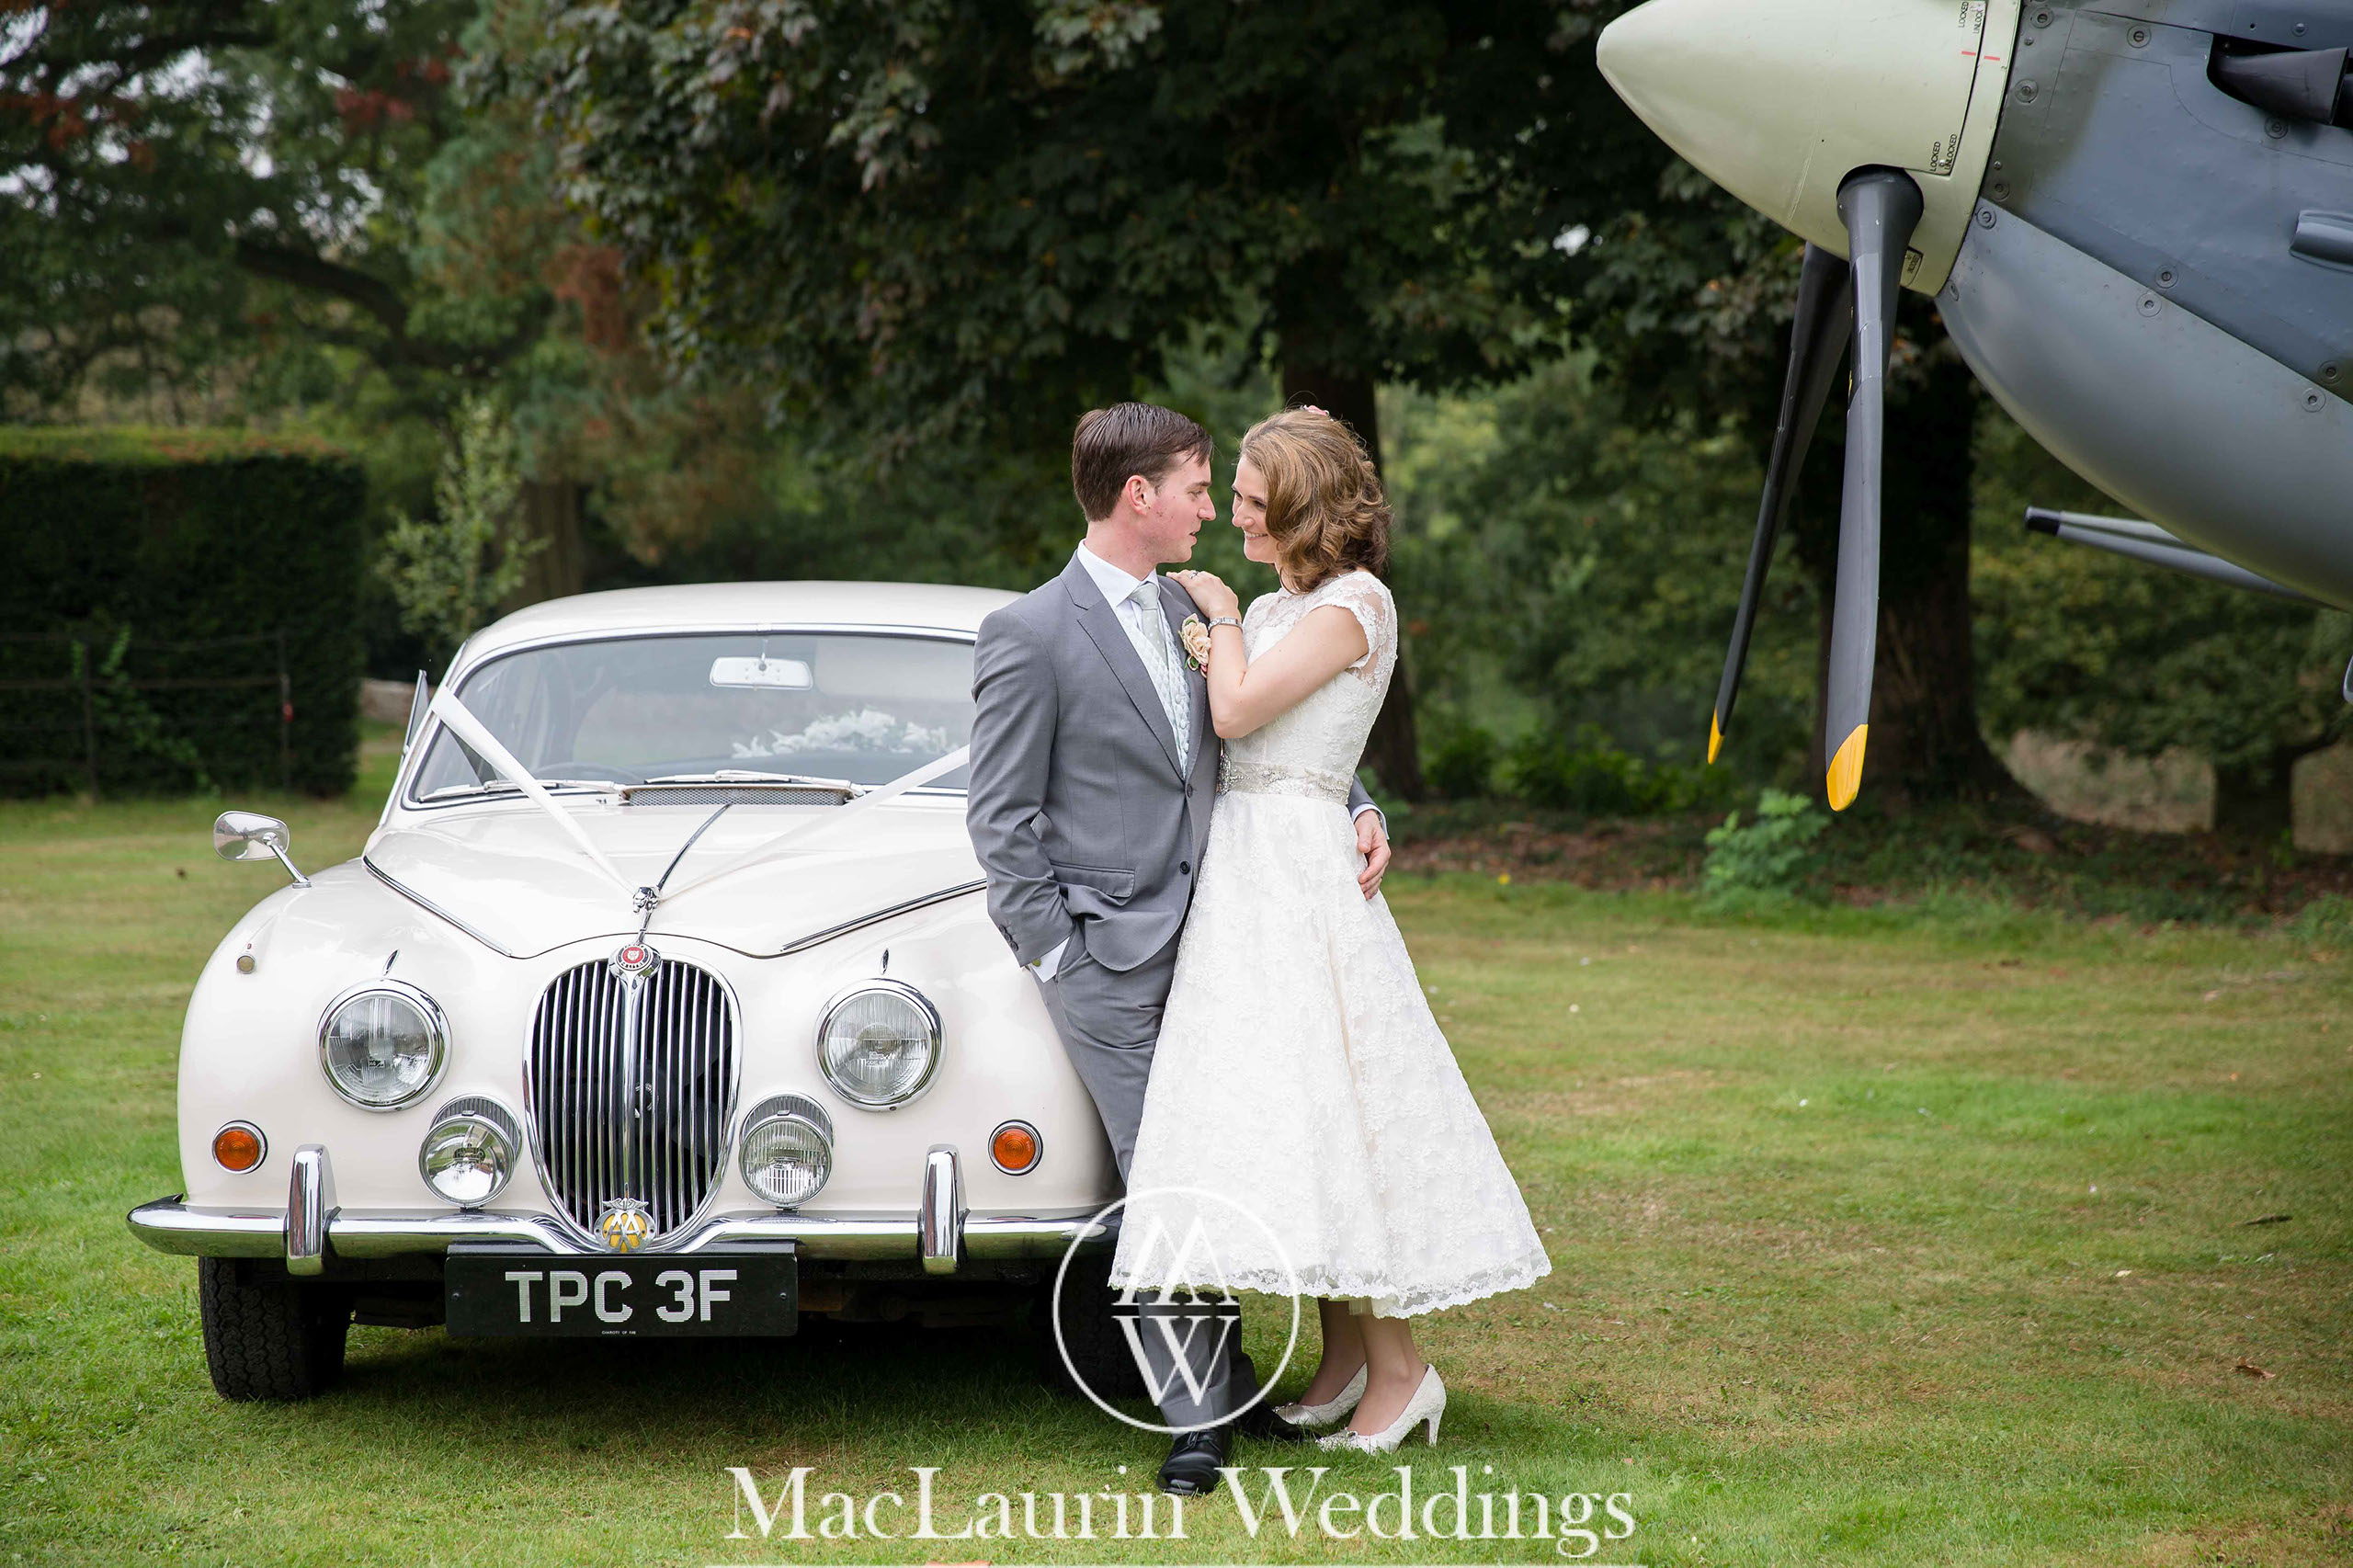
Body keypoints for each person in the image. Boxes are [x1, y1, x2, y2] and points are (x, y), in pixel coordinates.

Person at [964, 402, 1394, 1496]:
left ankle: (1252, 1376)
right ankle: (1199, 1417)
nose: (1213, 507)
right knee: (1164, 1175)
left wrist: (1353, 798)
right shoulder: (1031, 631)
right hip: (1106, 957)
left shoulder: (1200, 608)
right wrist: (1060, 955)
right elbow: (1002, 820)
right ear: (1137, 497)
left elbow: (1261, 729)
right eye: (1198, 490)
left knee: (1208, 1154)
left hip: (1225, 934)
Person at [1109, 405, 1552, 1455]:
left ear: (1303, 510)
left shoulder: (1354, 604)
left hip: (1296, 879)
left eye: (1256, 507)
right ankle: (1348, 1358)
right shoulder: (1288, 599)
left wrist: (1215, 615)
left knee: (1338, 1106)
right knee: (1297, 1107)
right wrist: (1359, 794)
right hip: (1253, 869)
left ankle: (1402, 1372)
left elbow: (1238, 712)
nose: (1238, 523)